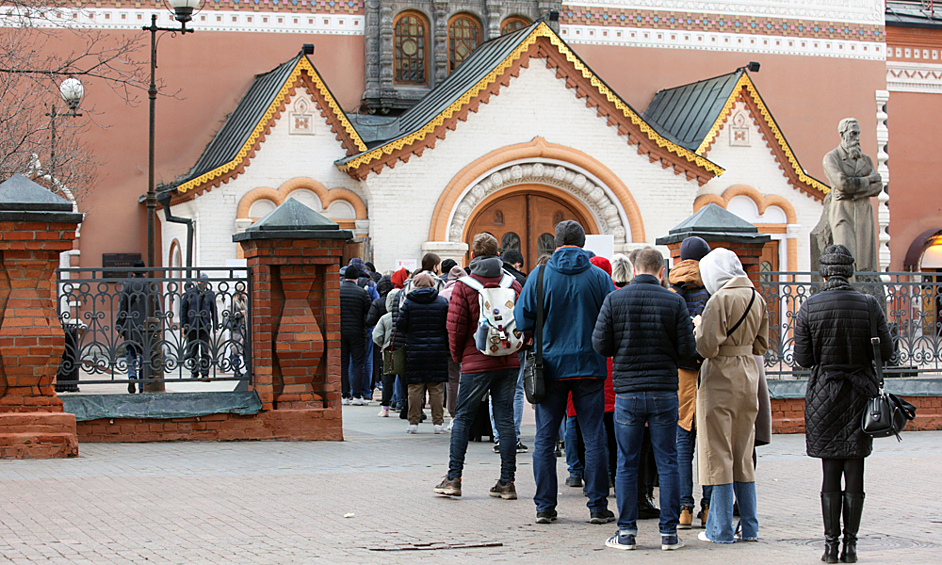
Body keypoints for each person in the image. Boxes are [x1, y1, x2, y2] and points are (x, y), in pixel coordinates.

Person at [592, 247, 696, 551]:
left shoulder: (614, 299)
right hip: (664, 391)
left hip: (628, 392)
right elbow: (688, 349)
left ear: (635, 270)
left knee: (626, 462)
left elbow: (600, 344)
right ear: (661, 272)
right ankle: (669, 534)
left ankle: (626, 533)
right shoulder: (675, 302)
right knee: (668, 460)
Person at [794, 244, 892, 564]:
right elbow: (887, 353)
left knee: (829, 470)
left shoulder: (809, 307)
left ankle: (829, 547)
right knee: (855, 468)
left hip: (824, 394)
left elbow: (803, 359)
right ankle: (851, 546)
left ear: (823, 273)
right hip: (859, 394)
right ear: (850, 271)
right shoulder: (869, 304)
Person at [514, 220, 616, 525]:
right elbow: (612, 316)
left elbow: (522, 320)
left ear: (556, 244)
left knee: (545, 438)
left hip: (550, 367)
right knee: (594, 435)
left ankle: (545, 506)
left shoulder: (540, 275)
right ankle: (597, 506)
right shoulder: (598, 276)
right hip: (590, 365)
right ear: (582, 243)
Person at [434, 233, 523, 499]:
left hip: (475, 361)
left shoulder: (464, 285)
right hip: (508, 360)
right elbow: (523, 321)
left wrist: (459, 357)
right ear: (498, 255)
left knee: (462, 418)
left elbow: (455, 327)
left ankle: (454, 478)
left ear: (472, 256)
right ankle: (507, 482)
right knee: (505, 419)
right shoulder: (513, 283)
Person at [694, 248, 769, 544]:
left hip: (720, 376)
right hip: (749, 374)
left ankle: (721, 529)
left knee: (717, 453)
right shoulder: (756, 297)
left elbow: (707, 347)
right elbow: (762, 345)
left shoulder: (720, 299)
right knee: (743, 452)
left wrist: (699, 327)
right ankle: (749, 527)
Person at [668, 236, 713, 529]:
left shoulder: (671, 291)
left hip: (681, 373)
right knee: (710, 442)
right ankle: (709, 507)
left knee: (683, 441)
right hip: (711, 372)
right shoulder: (714, 286)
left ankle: (684, 508)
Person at [396, 272, 449, 433]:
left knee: (415, 387)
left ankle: (413, 423)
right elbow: (448, 326)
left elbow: (400, 325)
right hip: (437, 350)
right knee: (436, 388)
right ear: (433, 284)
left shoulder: (409, 302)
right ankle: (438, 424)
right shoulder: (442, 302)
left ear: (416, 285)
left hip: (415, 350)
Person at [116, 259, 155, 393]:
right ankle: (142, 385)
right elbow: (155, 304)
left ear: (132, 271)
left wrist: (119, 325)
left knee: (130, 352)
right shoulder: (149, 284)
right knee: (144, 355)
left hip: (130, 325)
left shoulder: (127, 284)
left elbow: (122, 306)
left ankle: (132, 375)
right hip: (145, 325)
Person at [439, 265, 467, 423]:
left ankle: (452, 412)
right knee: (466, 377)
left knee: (451, 379)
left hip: (448, 341)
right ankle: (465, 411)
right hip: (466, 342)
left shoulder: (442, 293)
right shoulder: (468, 291)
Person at [340, 266, 371, 405]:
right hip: (358, 332)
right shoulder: (361, 293)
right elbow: (368, 312)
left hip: (340, 332)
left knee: (343, 363)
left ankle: (344, 395)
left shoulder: (337, 292)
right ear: (357, 278)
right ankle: (357, 395)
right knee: (358, 363)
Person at [181, 273, 217, 380]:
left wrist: (215, 324)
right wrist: (183, 325)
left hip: (205, 325)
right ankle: (194, 371)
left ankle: (205, 373)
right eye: (201, 282)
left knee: (205, 350)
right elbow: (183, 309)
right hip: (192, 325)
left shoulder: (210, 294)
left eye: (204, 282)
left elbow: (213, 309)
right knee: (193, 350)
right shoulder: (190, 293)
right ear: (197, 282)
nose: (203, 284)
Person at [372, 288, 400, 417]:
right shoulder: (405, 315)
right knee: (404, 379)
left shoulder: (385, 318)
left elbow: (376, 335)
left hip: (389, 350)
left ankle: (385, 408)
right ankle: (402, 403)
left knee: (388, 379)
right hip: (404, 349)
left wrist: (383, 344)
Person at [227, 290, 247, 379]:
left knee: (244, 349)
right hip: (236, 329)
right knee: (235, 349)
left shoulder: (244, 301)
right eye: (244, 291)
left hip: (244, 329)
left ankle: (247, 368)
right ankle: (236, 369)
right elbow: (228, 315)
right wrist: (239, 314)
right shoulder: (233, 302)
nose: (245, 293)